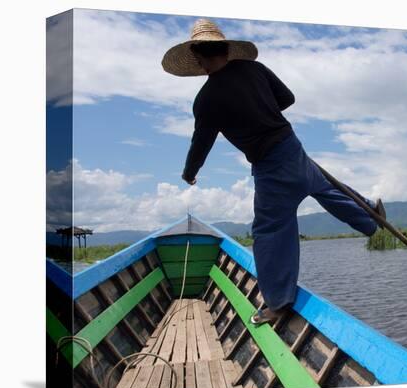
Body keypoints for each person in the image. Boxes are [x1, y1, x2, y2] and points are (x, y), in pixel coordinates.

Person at [162, 19, 386, 325]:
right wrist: (262, 107)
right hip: (292, 146)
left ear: (199, 59)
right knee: (325, 189)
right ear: (227, 49)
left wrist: (190, 173)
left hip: (270, 163)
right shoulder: (256, 70)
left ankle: (278, 303)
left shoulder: (206, 100)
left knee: (270, 230)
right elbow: (287, 98)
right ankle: (370, 215)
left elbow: (201, 142)